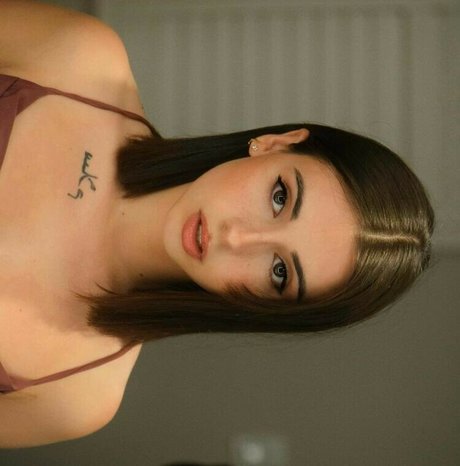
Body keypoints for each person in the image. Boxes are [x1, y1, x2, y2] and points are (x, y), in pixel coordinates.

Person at [0, 0, 434, 448]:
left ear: (269, 308)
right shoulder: (78, 59)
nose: (237, 237)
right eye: (280, 197)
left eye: (279, 272)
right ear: (276, 143)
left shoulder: (75, 397)